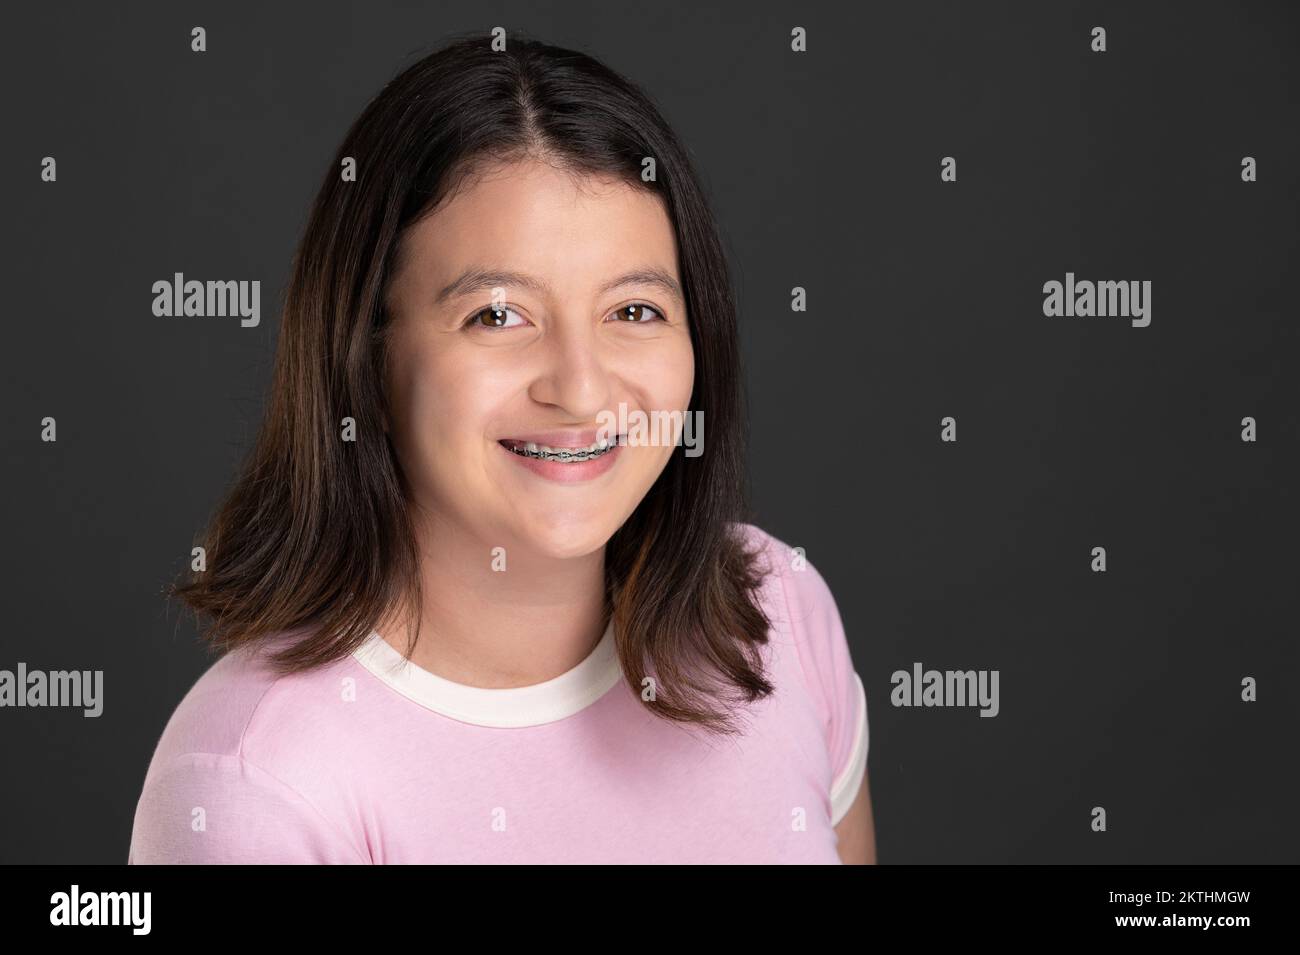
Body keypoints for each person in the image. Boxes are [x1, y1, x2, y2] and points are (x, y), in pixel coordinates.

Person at [128, 31, 875, 864]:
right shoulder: (254, 784)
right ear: (366, 363)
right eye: (497, 315)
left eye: (634, 311)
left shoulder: (776, 613)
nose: (583, 389)